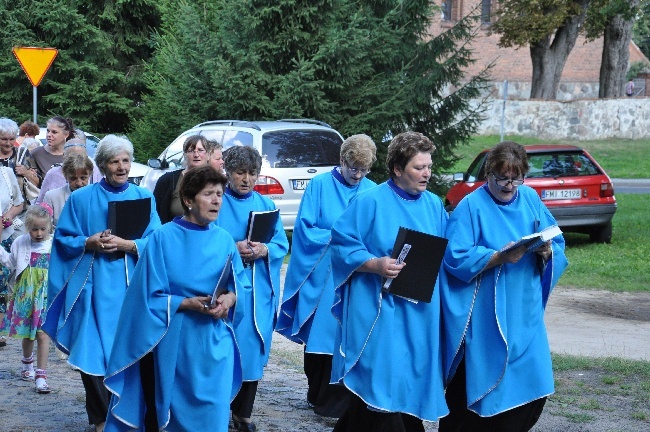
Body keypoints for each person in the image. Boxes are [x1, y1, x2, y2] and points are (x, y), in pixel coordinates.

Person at [439, 141, 569, 432]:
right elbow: (454, 257)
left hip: (524, 308)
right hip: (486, 313)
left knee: (533, 380)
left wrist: (546, 251)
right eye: (502, 178)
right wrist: (498, 257)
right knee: (477, 384)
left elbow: (556, 241)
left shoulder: (531, 198)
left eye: (516, 178)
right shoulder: (471, 206)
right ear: (489, 175)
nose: (510, 185)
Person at [104, 165, 246, 432]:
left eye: (219, 194)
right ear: (189, 200)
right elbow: (144, 299)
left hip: (215, 343)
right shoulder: (162, 238)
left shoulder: (225, 239)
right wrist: (185, 303)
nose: (217, 200)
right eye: (208, 194)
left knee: (214, 418)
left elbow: (240, 285)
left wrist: (229, 300)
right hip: (175, 342)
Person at [329, 131, 449, 431]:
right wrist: (375, 264)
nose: (426, 174)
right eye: (418, 168)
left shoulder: (434, 204)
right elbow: (342, 244)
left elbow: (445, 251)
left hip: (420, 311)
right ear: (397, 169)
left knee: (410, 381)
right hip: (380, 309)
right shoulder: (370, 201)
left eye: (429, 167)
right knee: (379, 383)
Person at [42, 134, 161, 432]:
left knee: (135, 353)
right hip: (93, 289)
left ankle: (132, 414)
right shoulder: (81, 199)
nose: (121, 167)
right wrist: (89, 241)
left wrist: (130, 245)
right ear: (102, 165)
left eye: (126, 160)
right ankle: (99, 418)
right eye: (114, 161)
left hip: (134, 288)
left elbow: (157, 240)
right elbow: (64, 239)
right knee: (92, 354)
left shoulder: (143, 197)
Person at [276, 134, 377, 417]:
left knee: (348, 335)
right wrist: (340, 237)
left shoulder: (371, 190)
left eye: (363, 170)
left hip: (354, 277)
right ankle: (317, 393)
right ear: (342, 160)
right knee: (320, 335)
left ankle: (343, 400)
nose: (358, 175)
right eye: (354, 168)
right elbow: (306, 229)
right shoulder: (319, 185)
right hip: (323, 274)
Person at [217, 145, 289, 431]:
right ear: (228, 173)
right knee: (224, 350)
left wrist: (263, 250)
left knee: (253, 350)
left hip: (258, 290)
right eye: (240, 172)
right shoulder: (217, 202)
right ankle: (216, 411)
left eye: (252, 173)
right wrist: (233, 247)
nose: (247, 179)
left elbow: (281, 243)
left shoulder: (266, 204)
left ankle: (243, 414)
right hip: (227, 288)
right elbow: (207, 240)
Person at [0, 204, 54, 393]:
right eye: (34, 229)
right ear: (27, 228)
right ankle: (27, 362)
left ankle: (41, 375)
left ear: (49, 227)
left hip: (45, 295)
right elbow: (10, 263)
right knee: (28, 333)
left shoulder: (53, 244)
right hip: (26, 294)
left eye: (42, 229)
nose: (39, 233)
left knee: (42, 333)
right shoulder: (21, 243)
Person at [153, 135, 211, 224]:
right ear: (184, 155)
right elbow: (154, 215)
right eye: (191, 151)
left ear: (208, 155)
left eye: (200, 150)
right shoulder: (167, 180)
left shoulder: (215, 182)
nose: (196, 155)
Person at [35, 139, 102, 204]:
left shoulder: (95, 171)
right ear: (64, 156)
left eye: (81, 157)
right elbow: (40, 203)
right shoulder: (53, 173)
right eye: (72, 158)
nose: (76, 161)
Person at [43, 154, 94, 226]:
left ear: (90, 175)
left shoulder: (97, 197)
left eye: (83, 178)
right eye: (73, 178)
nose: (79, 183)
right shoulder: (52, 197)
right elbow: (46, 228)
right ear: (66, 176)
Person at [0, 118, 40, 208]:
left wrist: (26, 173)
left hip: (20, 210)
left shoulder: (22, 153)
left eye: (12, 139)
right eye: (4, 139)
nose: (8, 143)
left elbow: (37, 182)